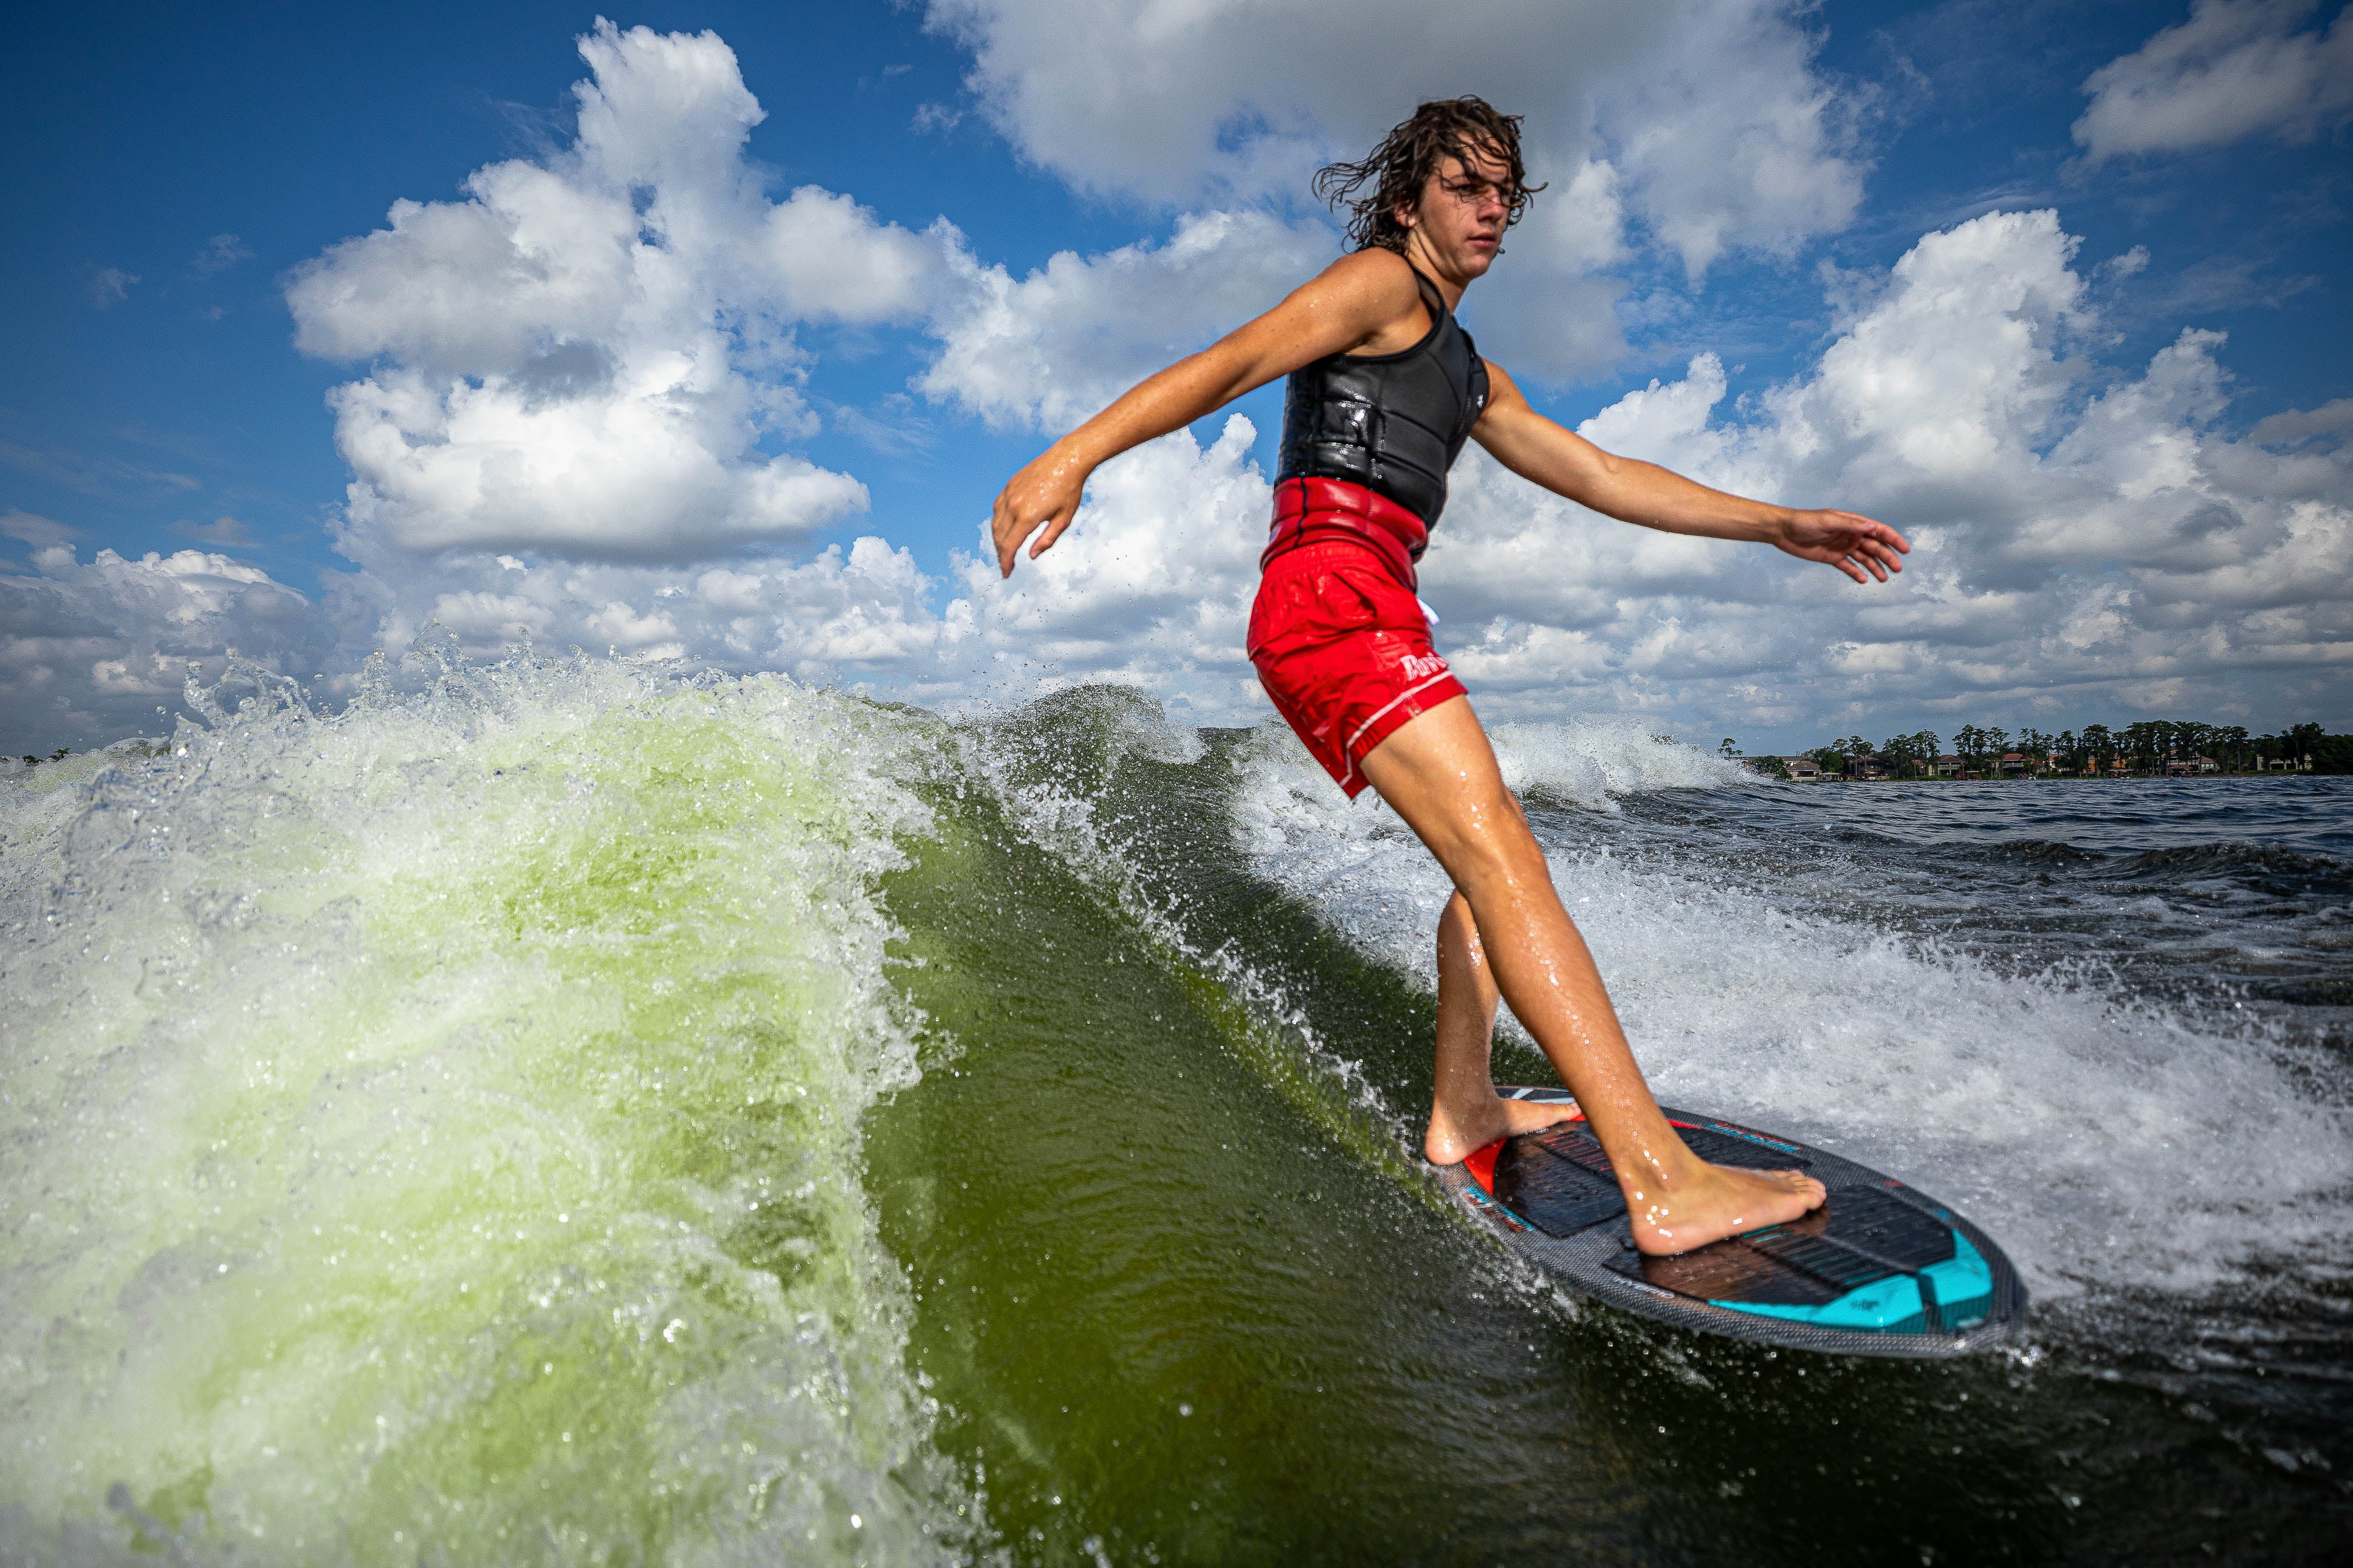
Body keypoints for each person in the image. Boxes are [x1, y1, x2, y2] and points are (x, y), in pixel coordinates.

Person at [989, 98, 1909, 1255]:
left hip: (1371, 601)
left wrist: (1777, 522)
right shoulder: (1380, 286)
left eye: (1502, 193)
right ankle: (1660, 1180)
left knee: (1490, 868)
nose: (1488, 209)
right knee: (1503, 850)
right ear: (1407, 200)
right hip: (1332, 597)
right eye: (1465, 186)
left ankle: (1464, 1102)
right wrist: (1073, 456)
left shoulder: (1468, 370)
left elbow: (1603, 471)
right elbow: (1235, 362)